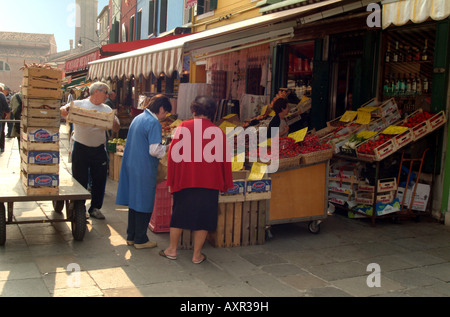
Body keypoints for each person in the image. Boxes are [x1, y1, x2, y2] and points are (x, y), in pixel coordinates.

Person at [160, 96, 233, 264]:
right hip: (210, 182)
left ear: (194, 110)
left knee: (179, 214)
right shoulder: (218, 132)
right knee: (204, 218)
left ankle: (171, 249)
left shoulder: (183, 127)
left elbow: (172, 157)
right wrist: (226, 183)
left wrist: (172, 179)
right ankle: (196, 255)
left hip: (185, 180)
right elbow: (225, 160)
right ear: (212, 112)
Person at [116, 94, 172, 249]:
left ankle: (131, 236)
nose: (164, 116)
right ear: (161, 108)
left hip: (132, 165)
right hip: (144, 167)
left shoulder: (138, 118)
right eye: (165, 113)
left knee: (134, 202)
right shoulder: (153, 122)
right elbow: (155, 150)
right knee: (144, 203)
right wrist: (168, 147)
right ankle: (141, 239)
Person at [60, 82, 120, 219]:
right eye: (105, 92)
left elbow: (116, 128)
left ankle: (95, 208)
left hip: (99, 149)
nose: (107, 95)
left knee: (99, 180)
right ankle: (78, 208)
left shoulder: (106, 109)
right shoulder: (79, 104)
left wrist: (114, 123)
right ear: (96, 92)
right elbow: (63, 110)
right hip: (81, 148)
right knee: (79, 179)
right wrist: (65, 110)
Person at [0, 84, 11, 153]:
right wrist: (8, 114)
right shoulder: (1, 95)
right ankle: (1, 147)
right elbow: (6, 107)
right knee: (1, 132)